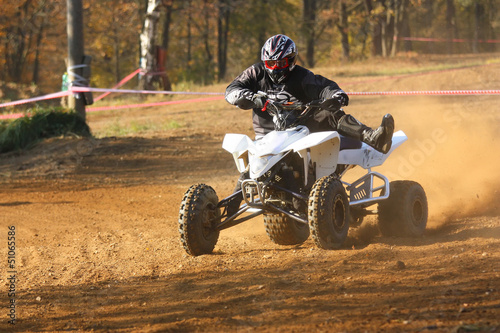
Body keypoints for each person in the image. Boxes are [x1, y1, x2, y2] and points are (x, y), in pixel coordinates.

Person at [224, 34, 394, 216]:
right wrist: (252, 97)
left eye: (280, 64)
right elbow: (231, 90)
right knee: (250, 171)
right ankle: (221, 213)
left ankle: (373, 138)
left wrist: (336, 95)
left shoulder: (301, 76)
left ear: (291, 60)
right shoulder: (256, 73)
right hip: (267, 137)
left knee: (330, 113)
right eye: (270, 63)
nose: (275, 69)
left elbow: (324, 87)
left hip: (299, 131)